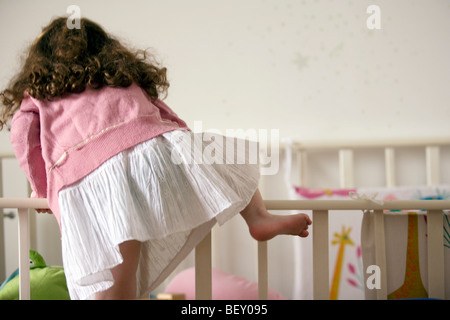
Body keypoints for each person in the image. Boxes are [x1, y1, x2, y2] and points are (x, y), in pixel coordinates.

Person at [0, 16, 311, 300]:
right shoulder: (120, 76)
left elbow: (23, 137)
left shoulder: (40, 93)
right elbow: (168, 118)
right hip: (152, 159)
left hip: (94, 181)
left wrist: (42, 189)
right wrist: (186, 153)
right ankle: (258, 217)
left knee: (119, 285)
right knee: (227, 158)